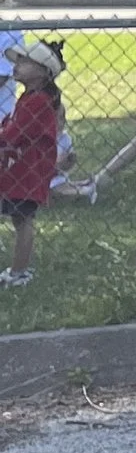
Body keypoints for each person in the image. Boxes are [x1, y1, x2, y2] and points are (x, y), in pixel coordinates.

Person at [0, 36, 65, 282]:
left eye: (25, 62)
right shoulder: (28, 98)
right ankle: (18, 269)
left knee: (23, 219)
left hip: (29, 171)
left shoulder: (38, 101)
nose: (17, 65)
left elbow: (15, 134)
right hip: (20, 169)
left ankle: (19, 272)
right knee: (19, 218)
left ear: (42, 72)